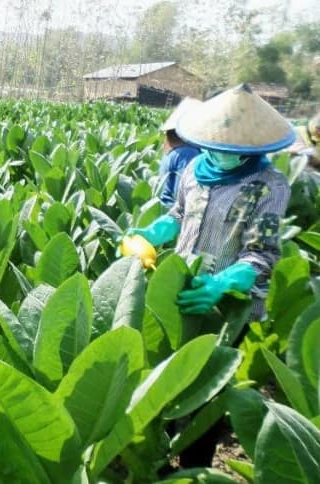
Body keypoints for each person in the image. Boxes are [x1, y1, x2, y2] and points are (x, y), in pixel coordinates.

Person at [122, 84, 294, 468]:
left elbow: (262, 255)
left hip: (229, 308)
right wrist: (153, 233)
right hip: (181, 290)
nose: (223, 154)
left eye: (235, 150)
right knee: (167, 379)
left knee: (206, 393)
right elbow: (179, 216)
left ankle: (195, 466)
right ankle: (158, 460)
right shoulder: (192, 169)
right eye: (218, 145)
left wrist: (222, 284)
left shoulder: (268, 185)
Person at [157, 97, 202, 207]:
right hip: (174, 215)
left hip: (163, 210)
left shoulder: (173, 145)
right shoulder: (187, 152)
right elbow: (184, 195)